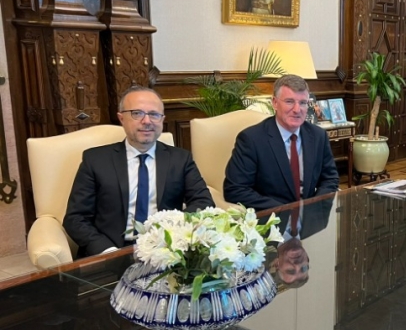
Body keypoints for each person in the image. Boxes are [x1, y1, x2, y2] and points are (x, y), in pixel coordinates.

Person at [63, 86, 214, 258]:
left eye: (154, 114)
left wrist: (172, 234)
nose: (147, 121)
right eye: (137, 113)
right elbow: (75, 218)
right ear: (121, 118)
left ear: (162, 119)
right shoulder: (96, 160)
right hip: (111, 252)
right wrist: (107, 251)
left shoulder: (180, 159)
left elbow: (203, 202)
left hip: (166, 252)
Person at [224, 75, 339, 210]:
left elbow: (330, 179)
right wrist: (285, 211)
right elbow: (235, 190)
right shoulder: (251, 139)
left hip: (311, 220)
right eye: (289, 101)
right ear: (275, 103)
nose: (297, 109)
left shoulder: (318, 136)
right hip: (272, 220)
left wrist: (314, 205)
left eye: (302, 103)